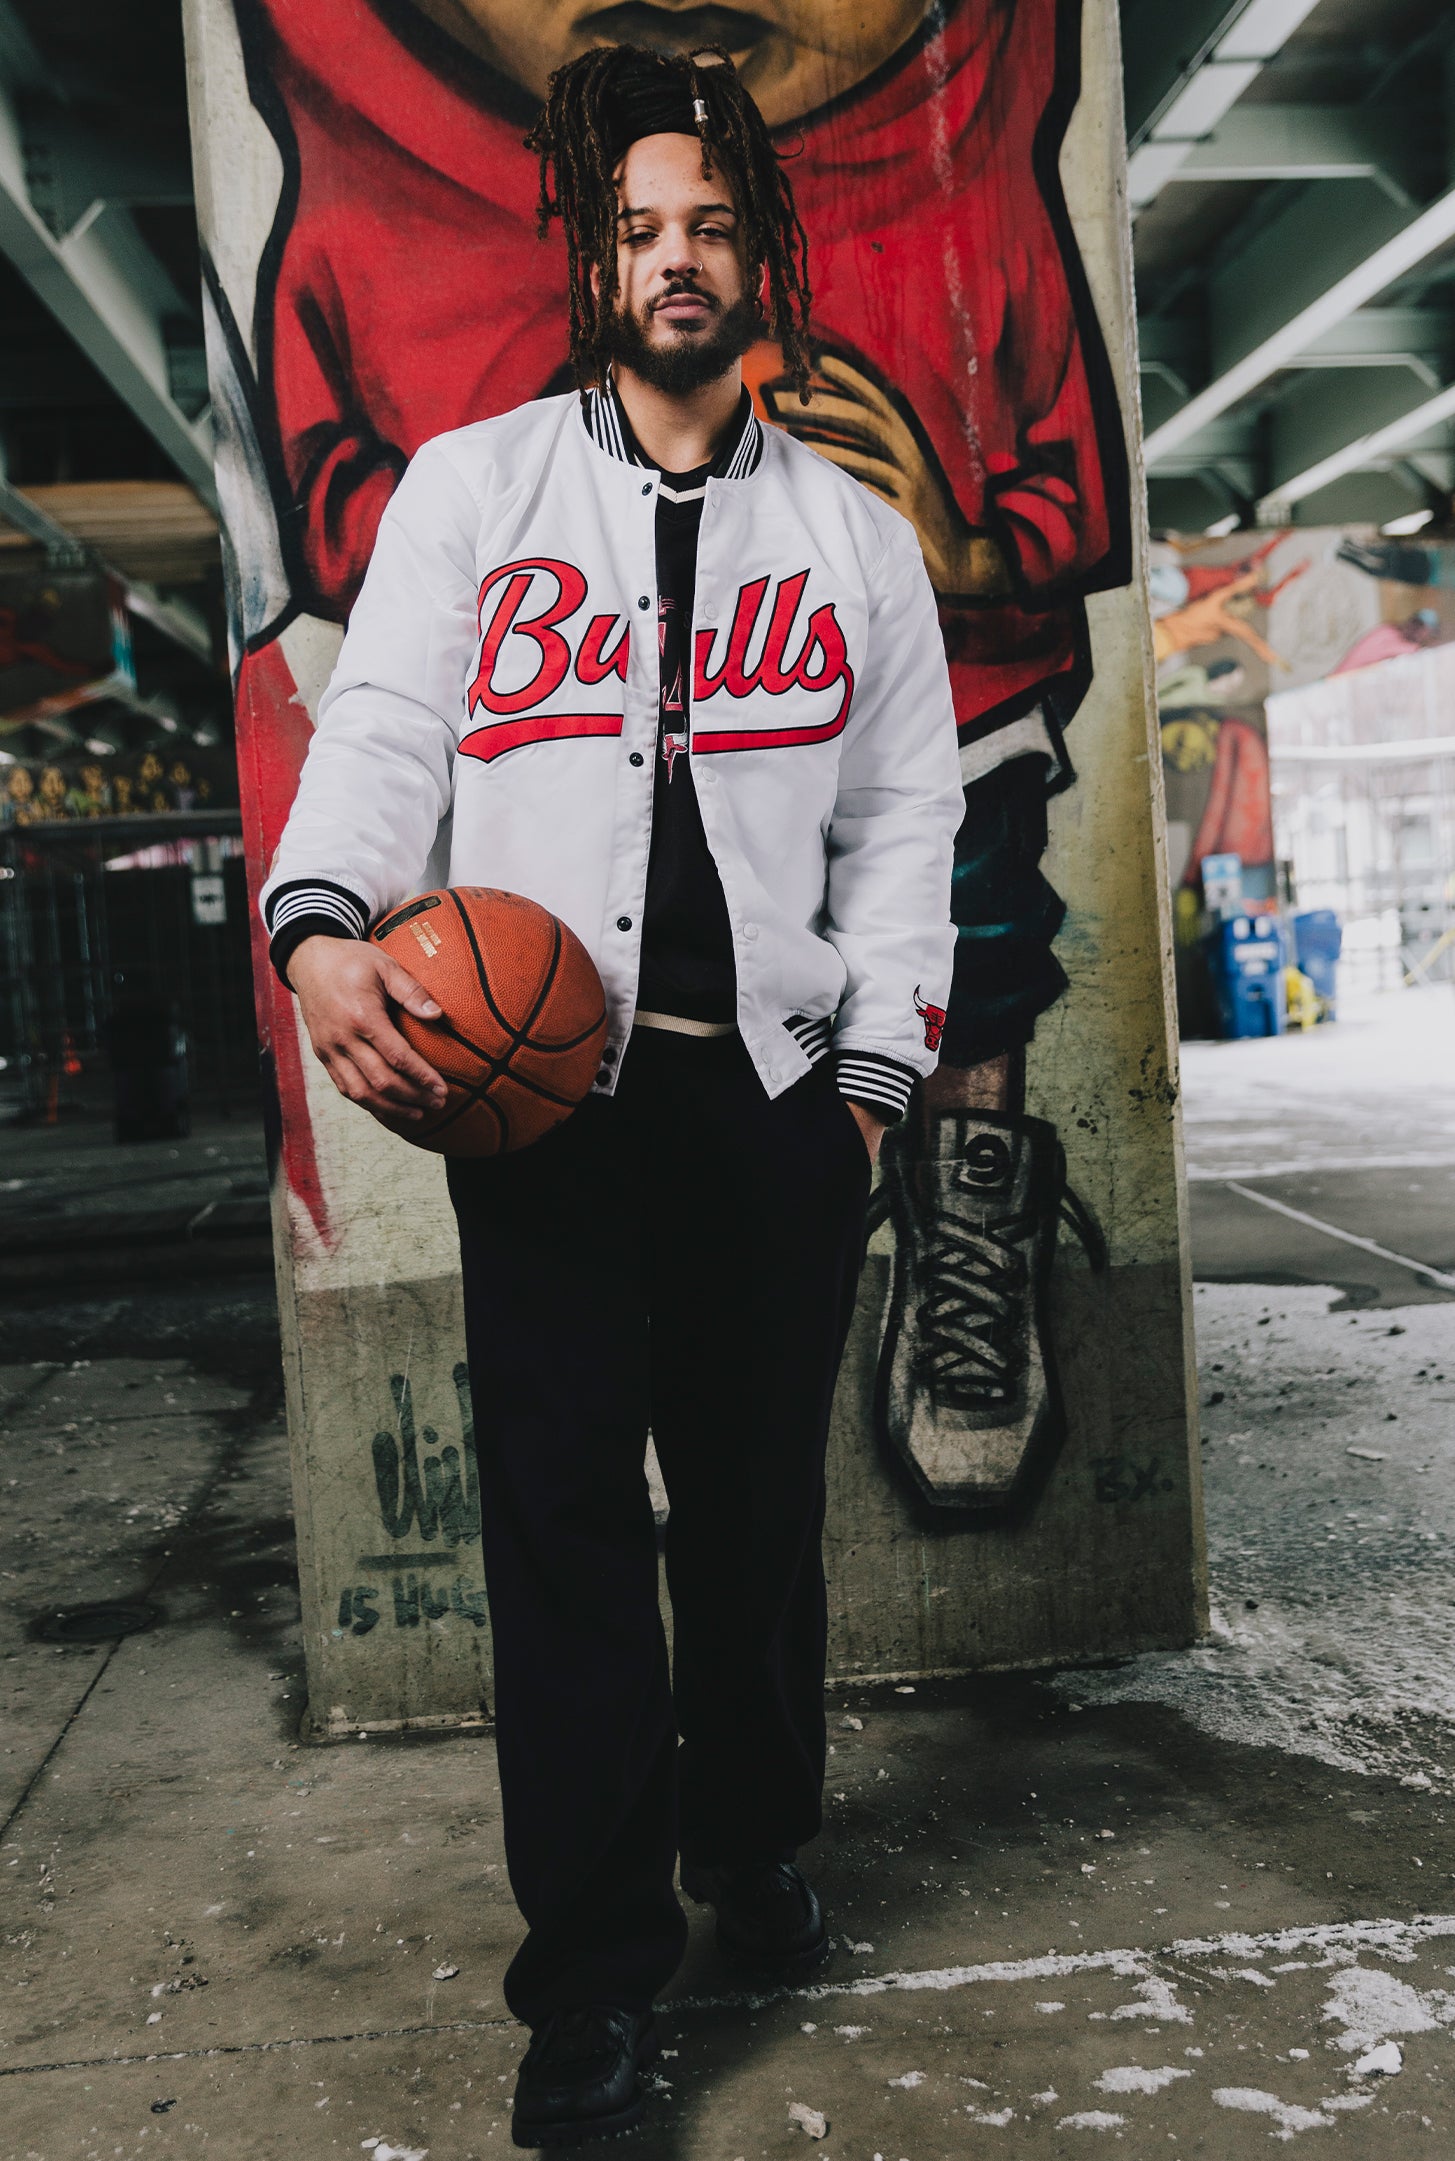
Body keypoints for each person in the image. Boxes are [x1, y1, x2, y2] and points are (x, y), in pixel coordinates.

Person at [260, 45, 962, 2146]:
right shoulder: (476, 492)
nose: (675, 260)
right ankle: (588, 1985)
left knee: (749, 1526)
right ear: (592, 257)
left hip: (767, 1107)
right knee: (560, 1533)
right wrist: (319, 923)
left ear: (759, 258)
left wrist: (866, 1092)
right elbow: (383, 729)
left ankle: (751, 1839)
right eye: (640, 228)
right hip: (547, 1117)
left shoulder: (851, 540)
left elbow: (905, 829)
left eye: (709, 228)